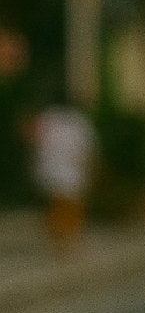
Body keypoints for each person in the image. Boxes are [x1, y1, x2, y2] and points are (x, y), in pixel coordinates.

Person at [29, 98, 95, 251]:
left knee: (63, 204)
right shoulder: (78, 122)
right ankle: (64, 238)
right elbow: (86, 147)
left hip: (59, 170)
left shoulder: (54, 119)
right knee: (64, 204)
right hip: (63, 170)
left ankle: (64, 237)